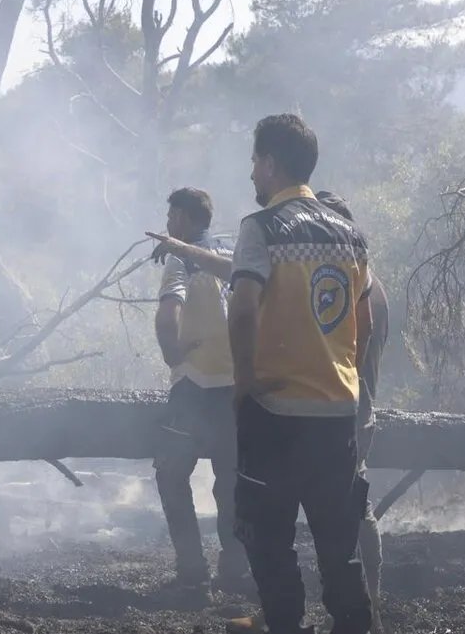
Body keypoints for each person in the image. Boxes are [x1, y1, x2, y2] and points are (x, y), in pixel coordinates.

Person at [149, 114, 374, 633]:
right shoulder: (351, 234)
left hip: (276, 411)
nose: (251, 172)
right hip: (337, 414)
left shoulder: (262, 227)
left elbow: (245, 304)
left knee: (270, 540)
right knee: (339, 544)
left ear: (271, 163)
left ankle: (285, 626)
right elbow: (361, 323)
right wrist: (347, 381)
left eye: (254, 161)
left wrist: (246, 381)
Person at [150, 187, 247, 594]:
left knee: (171, 474)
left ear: (184, 218)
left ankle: (192, 575)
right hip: (237, 389)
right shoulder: (232, 251)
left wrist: (172, 353)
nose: (167, 224)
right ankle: (235, 570)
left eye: (171, 216)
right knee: (231, 481)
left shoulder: (181, 258)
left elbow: (166, 316)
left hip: (193, 387)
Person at [315, 191, 389, 633]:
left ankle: (360, 613)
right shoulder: (371, 280)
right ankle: (368, 609)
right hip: (360, 409)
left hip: (338, 411)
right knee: (355, 508)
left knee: (345, 513)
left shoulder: (344, 282)